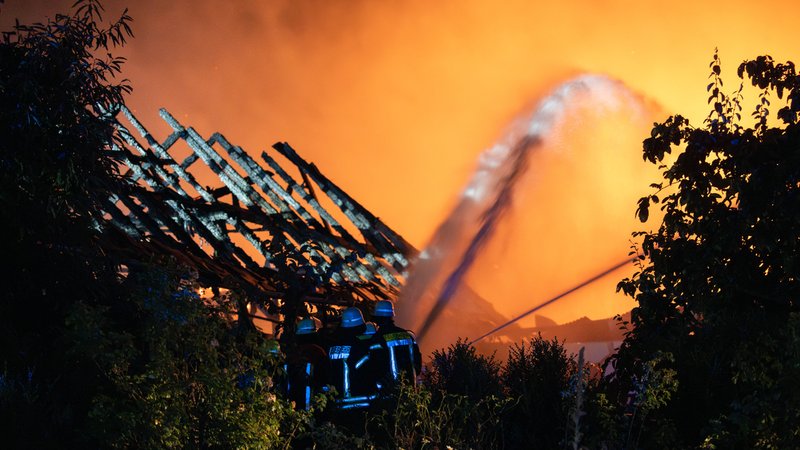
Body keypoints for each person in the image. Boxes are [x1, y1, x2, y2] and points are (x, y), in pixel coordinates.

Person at [371, 300, 422, 386]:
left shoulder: (377, 339)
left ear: (377, 317)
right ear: (391, 315)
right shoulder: (407, 335)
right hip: (409, 388)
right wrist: (410, 377)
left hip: (387, 390)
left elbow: (375, 366)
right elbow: (417, 359)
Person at [285, 317, 328, 410]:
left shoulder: (292, 354)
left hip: (293, 406)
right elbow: (325, 378)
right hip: (313, 406)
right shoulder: (318, 352)